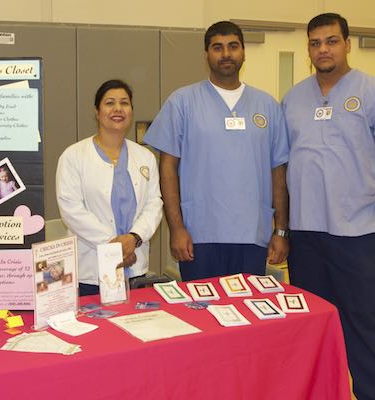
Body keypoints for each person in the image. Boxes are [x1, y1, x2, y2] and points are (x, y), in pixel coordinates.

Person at [144, 21, 289, 281]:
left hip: (251, 234)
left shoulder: (267, 106)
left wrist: (280, 232)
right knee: (202, 314)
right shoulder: (183, 102)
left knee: (249, 316)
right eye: (217, 47)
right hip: (200, 235)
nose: (226, 54)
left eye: (233, 46)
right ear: (206, 54)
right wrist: (176, 228)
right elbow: (167, 169)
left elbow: (278, 171)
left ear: (244, 52)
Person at [282, 13, 375, 400]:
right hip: (306, 233)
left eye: (331, 41)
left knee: (362, 321)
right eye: (316, 42)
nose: (323, 49)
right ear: (308, 49)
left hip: (357, 232)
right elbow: (281, 166)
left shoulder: (368, 91)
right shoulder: (292, 99)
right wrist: (282, 228)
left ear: (347, 44)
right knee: (313, 321)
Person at [56, 79, 163, 296]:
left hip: (134, 268)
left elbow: (154, 204)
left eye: (124, 103)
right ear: (97, 111)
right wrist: (114, 245)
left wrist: (134, 238)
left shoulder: (145, 157)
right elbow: (71, 210)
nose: (117, 109)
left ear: (131, 110)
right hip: (90, 269)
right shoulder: (74, 156)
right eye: (109, 103)